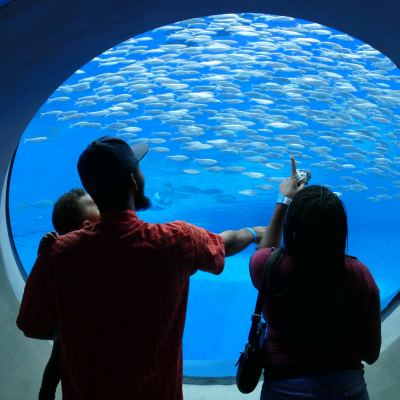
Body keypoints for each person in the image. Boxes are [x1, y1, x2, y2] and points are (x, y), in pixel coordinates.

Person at [16, 135, 266, 400]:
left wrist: (79, 329)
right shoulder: (177, 239)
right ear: (133, 181)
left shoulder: (57, 254)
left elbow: (31, 326)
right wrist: (254, 231)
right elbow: (224, 244)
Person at [249, 157, 381, 400]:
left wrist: (284, 200)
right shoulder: (361, 275)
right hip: (348, 389)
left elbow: (267, 251)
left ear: (294, 226)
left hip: (284, 388)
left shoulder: (267, 267)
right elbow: (371, 354)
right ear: (340, 228)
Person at [36, 188, 100, 400]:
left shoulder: (59, 252)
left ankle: (46, 395)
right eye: (97, 207)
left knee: (59, 356)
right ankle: (46, 394)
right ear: (87, 226)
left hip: (68, 320)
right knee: (59, 356)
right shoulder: (90, 248)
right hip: (73, 321)